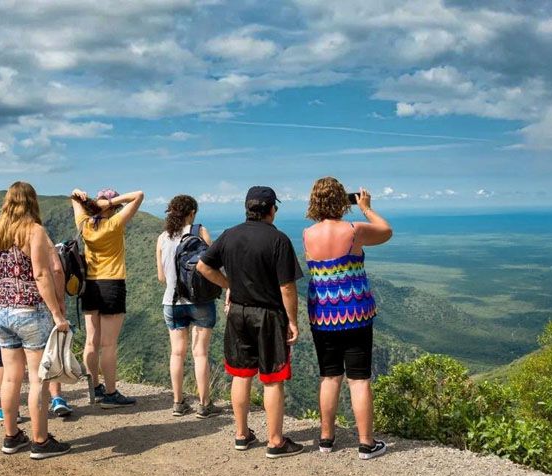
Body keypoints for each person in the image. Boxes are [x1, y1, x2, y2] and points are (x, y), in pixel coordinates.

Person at [0, 181, 71, 459]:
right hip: (31, 311)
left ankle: (11, 437)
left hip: (1, 313)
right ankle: (40, 441)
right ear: (32, 202)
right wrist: (58, 314)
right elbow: (42, 275)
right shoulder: (34, 231)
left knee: (10, 377)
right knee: (38, 380)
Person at [197, 186, 305, 459]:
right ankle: (275, 441)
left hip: (238, 313)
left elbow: (203, 266)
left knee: (241, 374)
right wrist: (292, 320)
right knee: (272, 379)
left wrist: (228, 285)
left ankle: (242, 434)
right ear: (271, 210)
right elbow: (287, 287)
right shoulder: (278, 240)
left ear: (247, 209)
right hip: (268, 315)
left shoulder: (229, 235)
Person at [303, 177, 392, 460]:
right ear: (343, 201)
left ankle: (326, 439)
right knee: (359, 379)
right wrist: (366, 208)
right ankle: (366, 443)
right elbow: (386, 231)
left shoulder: (307, 234)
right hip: (355, 314)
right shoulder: (354, 231)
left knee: (329, 377)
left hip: (322, 315)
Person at [0, 258, 72, 422]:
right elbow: (57, 269)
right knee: (44, 361)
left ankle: (10, 412)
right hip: (34, 308)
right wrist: (58, 302)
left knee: (4, 364)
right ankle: (56, 399)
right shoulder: (35, 235)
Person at [70, 187, 144, 408]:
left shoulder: (83, 224)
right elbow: (139, 195)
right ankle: (111, 394)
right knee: (108, 345)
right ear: (112, 207)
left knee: (91, 342)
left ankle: (94, 389)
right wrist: (111, 203)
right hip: (111, 284)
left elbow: (73, 197)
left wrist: (85, 198)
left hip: (89, 286)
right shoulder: (114, 223)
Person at [156, 195, 222, 418]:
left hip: (171, 302)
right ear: (192, 213)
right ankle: (204, 405)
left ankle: (178, 403)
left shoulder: (162, 238)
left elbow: (161, 277)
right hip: (200, 302)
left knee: (177, 353)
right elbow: (211, 266)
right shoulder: (200, 231)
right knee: (200, 353)